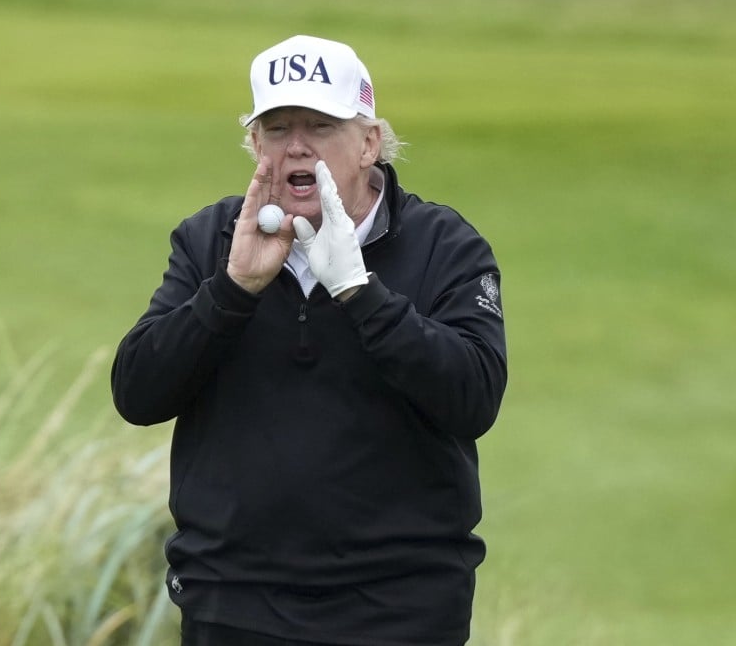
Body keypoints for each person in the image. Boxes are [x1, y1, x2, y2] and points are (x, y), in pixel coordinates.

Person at [111, 35, 507, 646]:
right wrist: (233, 289)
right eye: (276, 127)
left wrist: (358, 290)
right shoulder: (210, 240)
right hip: (233, 601)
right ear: (255, 145)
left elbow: (473, 398)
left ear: (370, 142)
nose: (296, 145)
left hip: (402, 608)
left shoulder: (444, 246)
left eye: (321, 125)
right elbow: (138, 392)